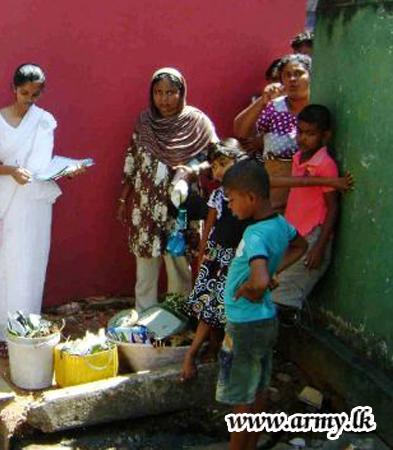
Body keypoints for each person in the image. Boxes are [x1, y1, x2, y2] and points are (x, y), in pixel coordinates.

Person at [0, 63, 86, 358]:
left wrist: (65, 171)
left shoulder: (44, 120)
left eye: (35, 94)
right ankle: (3, 330)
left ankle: (26, 327)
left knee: (33, 263)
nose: (29, 99)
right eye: (24, 92)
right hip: (9, 199)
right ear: (13, 89)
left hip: (36, 201)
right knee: (9, 265)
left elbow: (43, 166)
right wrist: (10, 170)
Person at [218, 159, 308, 450]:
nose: (230, 207)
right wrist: (273, 272)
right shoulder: (280, 224)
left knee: (241, 395)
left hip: (244, 323)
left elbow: (257, 279)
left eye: (231, 200)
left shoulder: (254, 234)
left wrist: (254, 285)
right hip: (265, 320)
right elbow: (301, 245)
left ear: (251, 198)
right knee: (257, 389)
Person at [117, 67, 217, 312]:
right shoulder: (145, 122)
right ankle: (145, 316)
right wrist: (122, 201)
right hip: (146, 205)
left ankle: (177, 316)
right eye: (158, 92)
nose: (164, 99)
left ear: (181, 92)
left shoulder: (196, 121)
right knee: (146, 264)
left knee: (178, 262)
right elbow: (131, 161)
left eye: (171, 92)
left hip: (180, 205)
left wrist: (192, 169)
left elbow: (215, 157)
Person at [180, 139, 251, 382]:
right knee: (209, 307)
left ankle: (221, 351)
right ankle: (203, 350)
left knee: (225, 308)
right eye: (214, 166)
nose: (218, 171)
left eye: (223, 164)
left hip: (237, 258)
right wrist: (202, 256)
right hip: (216, 256)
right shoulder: (218, 196)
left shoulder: (250, 196)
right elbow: (208, 227)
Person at [271, 105, 345, 317]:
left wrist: (320, 247)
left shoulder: (325, 165)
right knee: (275, 288)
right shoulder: (298, 158)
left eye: (310, 134)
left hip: (312, 238)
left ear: (326, 135)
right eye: (300, 132)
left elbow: (332, 208)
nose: (302, 138)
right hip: (293, 235)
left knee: (282, 297)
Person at [233, 54, 312, 211]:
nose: (292, 79)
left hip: (309, 201)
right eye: (287, 75)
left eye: (298, 73)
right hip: (275, 200)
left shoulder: (319, 106)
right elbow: (240, 131)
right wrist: (262, 101)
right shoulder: (274, 108)